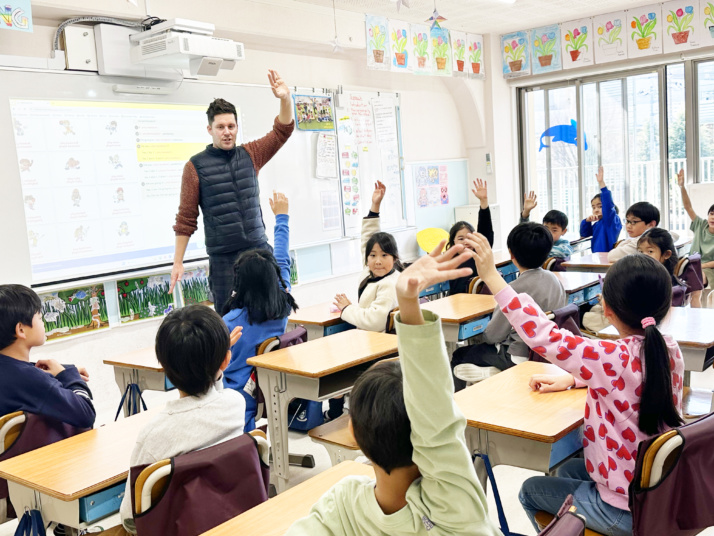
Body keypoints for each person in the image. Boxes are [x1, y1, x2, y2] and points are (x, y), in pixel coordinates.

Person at [467, 233, 684, 536]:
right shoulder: (669, 350)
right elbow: (626, 375)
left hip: (626, 507)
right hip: (655, 490)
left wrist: (490, 275)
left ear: (607, 308)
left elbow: (544, 334)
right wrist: (571, 378)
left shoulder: (611, 357)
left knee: (530, 490)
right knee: (569, 469)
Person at [285, 241, 502, 536]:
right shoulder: (455, 508)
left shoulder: (344, 503)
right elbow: (434, 414)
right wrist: (409, 303)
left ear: (353, 433)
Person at [169, 70, 295, 314]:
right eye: (220, 127)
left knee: (272, 313)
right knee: (229, 323)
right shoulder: (194, 167)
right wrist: (178, 262)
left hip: (259, 253)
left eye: (231, 126)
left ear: (237, 127)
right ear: (210, 129)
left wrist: (285, 99)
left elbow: (283, 131)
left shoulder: (251, 154)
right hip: (224, 260)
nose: (227, 131)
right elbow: (185, 220)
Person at [119, 306, 245, 534]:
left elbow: (130, 517)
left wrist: (218, 359)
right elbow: (215, 396)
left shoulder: (154, 434)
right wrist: (218, 359)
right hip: (230, 524)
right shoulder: (236, 405)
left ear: (164, 368)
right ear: (226, 361)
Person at [451, 223, 566, 388]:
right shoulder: (555, 280)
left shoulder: (514, 289)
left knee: (460, 355)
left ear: (511, 254)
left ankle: (465, 405)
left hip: (518, 356)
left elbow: (492, 336)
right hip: (548, 354)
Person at [222, 191, 298, 432]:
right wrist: (282, 218)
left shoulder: (231, 322)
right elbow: (283, 260)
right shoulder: (282, 305)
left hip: (238, 398)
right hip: (273, 387)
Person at [0, 284, 94, 428]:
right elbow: (86, 414)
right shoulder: (29, 379)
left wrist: (66, 370)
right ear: (21, 330)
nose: (43, 323)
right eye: (39, 318)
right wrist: (70, 377)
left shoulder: (11, 371)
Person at [333, 181, 402, 332]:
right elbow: (368, 239)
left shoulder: (389, 284)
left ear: (394, 258)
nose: (378, 261)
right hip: (371, 339)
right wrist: (375, 206)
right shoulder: (370, 270)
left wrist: (347, 308)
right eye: (372, 255)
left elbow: (374, 322)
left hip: (378, 344)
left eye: (384, 255)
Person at [446, 179, 494, 295]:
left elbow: (485, 230)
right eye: (461, 239)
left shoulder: (478, 255)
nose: (465, 242)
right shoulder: (449, 261)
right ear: (453, 241)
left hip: (478, 304)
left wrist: (484, 202)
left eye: (469, 238)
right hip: (457, 305)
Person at [678, 169, 714, 307]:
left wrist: (700, 266)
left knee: (697, 283)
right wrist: (682, 187)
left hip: (706, 269)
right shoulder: (701, 225)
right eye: (711, 213)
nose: (713, 217)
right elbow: (688, 207)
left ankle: (696, 313)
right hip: (691, 265)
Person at [580, 167, 622, 253]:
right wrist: (586, 221)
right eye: (593, 207)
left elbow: (608, 205)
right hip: (596, 257)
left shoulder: (611, 220)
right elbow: (585, 234)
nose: (596, 210)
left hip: (607, 257)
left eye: (600, 206)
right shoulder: (597, 224)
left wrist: (601, 183)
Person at [520, 192, 573, 259]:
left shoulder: (563, 243)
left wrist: (536, 249)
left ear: (563, 231)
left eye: (554, 230)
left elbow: (563, 252)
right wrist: (526, 212)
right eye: (546, 228)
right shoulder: (539, 239)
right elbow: (524, 233)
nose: (549, 232)